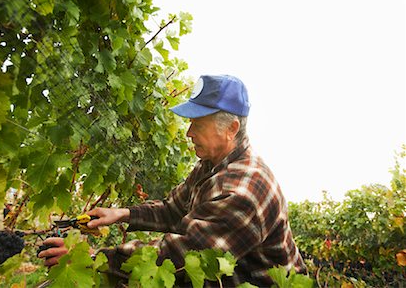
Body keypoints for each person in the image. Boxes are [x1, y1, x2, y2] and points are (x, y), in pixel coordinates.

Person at [39, 75, 306, 286]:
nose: (189, 132)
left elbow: (177, 257)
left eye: (198, 124)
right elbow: (172, 209)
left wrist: (90, 260)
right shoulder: (210, 166)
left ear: (231, 129)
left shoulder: (243, 192)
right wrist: (121, 214)